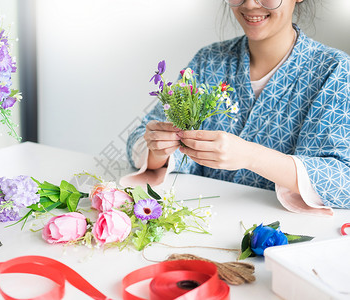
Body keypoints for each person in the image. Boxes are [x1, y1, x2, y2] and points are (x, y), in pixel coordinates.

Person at [122, 0, 350, 215]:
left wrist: (251, 156)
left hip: (278, 241)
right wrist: (158, 149)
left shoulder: (334, 69)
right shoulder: (209, 60)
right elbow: (139, 138)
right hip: (203, 225)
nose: (250, 4)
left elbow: (342, 180)